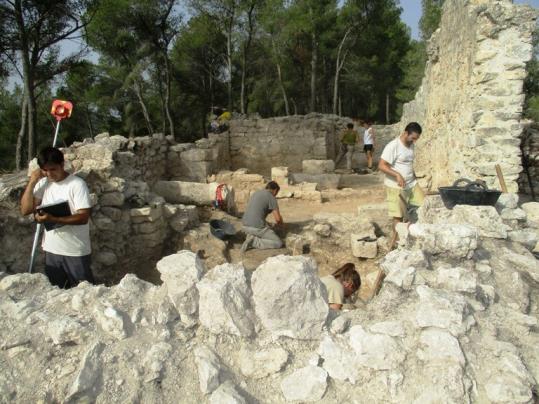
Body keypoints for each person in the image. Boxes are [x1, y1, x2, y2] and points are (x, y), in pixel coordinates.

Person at [20, 147, 94, 288]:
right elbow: (25, 210)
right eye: (45, 170)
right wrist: (32, 182)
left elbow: (84, 217)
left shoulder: (77, 185)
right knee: (58, 293)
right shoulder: (44, 184)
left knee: (84, 292)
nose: (49, 174)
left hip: (75, 251)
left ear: (62, 164)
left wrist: (53, 219)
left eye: (53, 169)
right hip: (52, 250)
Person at [378, 122, 425, 250]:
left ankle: (414, 237)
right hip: (395, 187)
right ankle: (397, 243)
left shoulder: (411, 146)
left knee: (424, 207)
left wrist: (414, 177)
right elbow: (381, 165)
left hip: (412, 184)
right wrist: (397, 175)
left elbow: (408, 164)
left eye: (416, 139)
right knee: (398, 217)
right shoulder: (393, 146)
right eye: (413, 138)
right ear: (405, 133)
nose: (414, 141)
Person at [241, 181, 284, 252]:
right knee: (278, 243)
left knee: (267, 225)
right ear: (275, 190)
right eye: (276, 193)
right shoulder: (271, 197)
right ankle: (254, 242)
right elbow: (278, 219)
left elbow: (256, 213)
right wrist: (282, 226)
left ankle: (251, 236)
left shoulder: (256, 193)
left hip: (244, 226)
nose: (276, 195)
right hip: (256, 228)